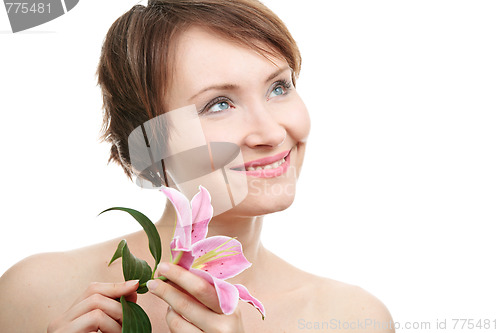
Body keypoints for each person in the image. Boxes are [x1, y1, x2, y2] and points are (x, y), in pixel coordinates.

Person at [0, 0, 394, 332]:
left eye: (279, 86)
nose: (272, 133)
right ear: (149, 146)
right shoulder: (37, 294)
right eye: (218, 104)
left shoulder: (353, 318)